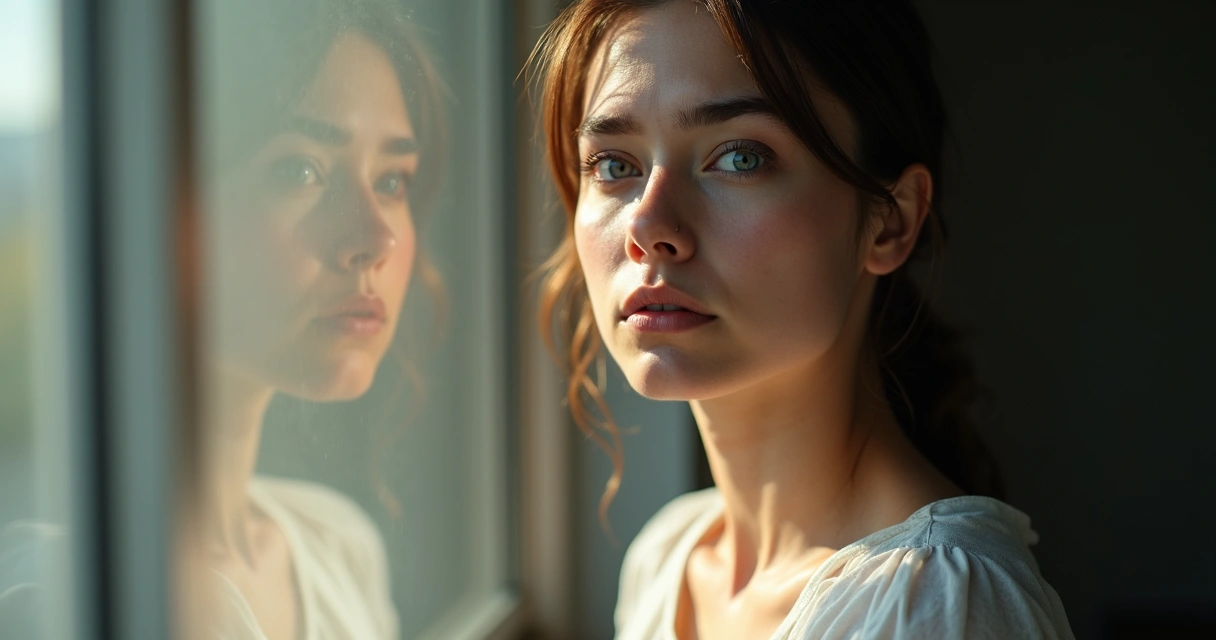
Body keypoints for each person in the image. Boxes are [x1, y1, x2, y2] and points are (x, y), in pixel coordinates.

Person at [531, 1, 1074, 638]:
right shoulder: (666, 561)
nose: (648, 227)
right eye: (614, 165)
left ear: (890, 220)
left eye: (738, 156)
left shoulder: (942, 605)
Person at [196, 0, 445, 637]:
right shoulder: (52, 597)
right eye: (300, 169)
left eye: (392, 180)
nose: (375, 238)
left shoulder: (339, 550)